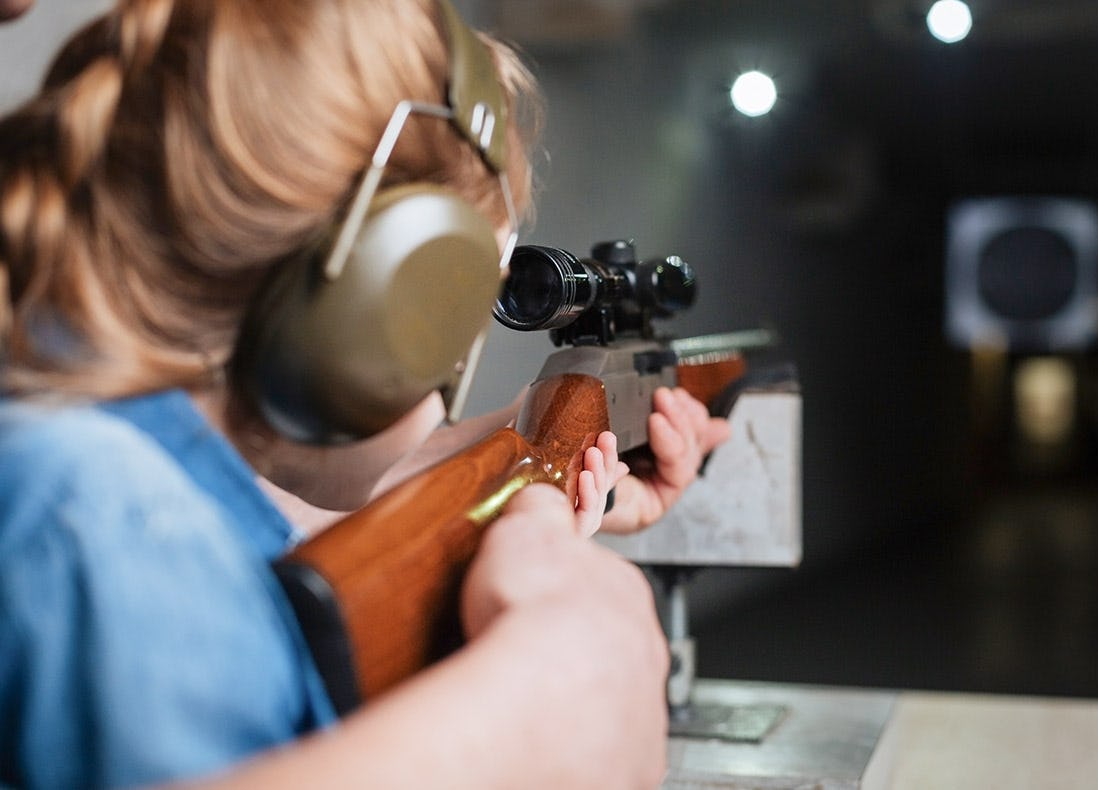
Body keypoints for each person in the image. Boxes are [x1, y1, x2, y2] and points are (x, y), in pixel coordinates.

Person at [0, 1, 730, 788]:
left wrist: (539, 453)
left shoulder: (96, 459)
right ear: (373, 305)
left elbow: (267, 529)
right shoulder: (107, 513)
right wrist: (545, 689)